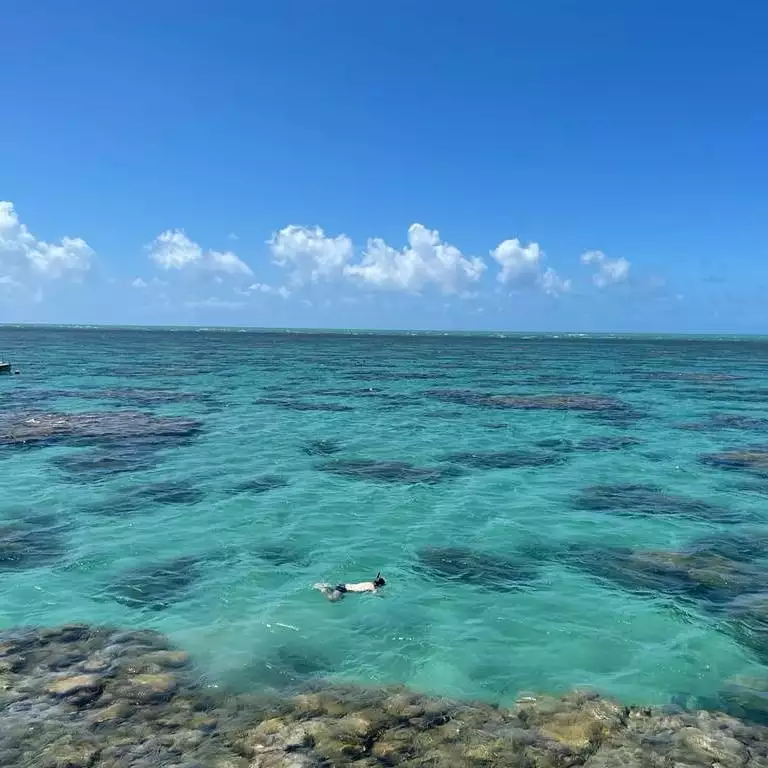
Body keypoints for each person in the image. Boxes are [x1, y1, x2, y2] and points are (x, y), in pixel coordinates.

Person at [314, 573, 386, 602]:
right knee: (332, 600)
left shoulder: (369, 583)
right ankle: (322, 589)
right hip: (343, 589)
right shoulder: (372, 588)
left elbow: (376, 580)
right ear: (379, 585)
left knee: (340, 597)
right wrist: (382, 596)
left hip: (344, 585)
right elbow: (375, 594)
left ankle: (326, 587)